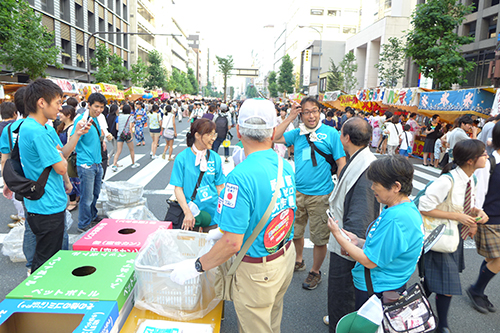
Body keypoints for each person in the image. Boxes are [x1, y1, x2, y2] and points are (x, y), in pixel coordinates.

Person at [169, 98, 297, 333]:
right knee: (272, 321)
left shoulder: (240, 177)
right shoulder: (284, 165)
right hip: (283, 255)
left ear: (238, 131)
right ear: (272, 132)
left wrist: (197, 266)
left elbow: (232, 242)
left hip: (258, 270)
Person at [328, 155, 423, 310]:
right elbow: (388, 248)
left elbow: (369, 261)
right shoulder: (403, 209)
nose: (372, 188)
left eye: (376, 184)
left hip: (376, 288)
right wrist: (358, 241)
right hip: (388, 285)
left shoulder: (396, 218)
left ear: (396, 187)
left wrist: (338, 235)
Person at [274, 96, 346, 290]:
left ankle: (315, 271)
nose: (311, 115)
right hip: (297, 192)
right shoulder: (297, 134)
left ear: (320, 112)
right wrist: (289, 117)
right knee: (295, 231)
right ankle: (299, 259)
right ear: (301, 114)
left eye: (314, 111)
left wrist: (340, 189)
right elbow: (273, 137)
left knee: (319, 237)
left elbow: (341, 162)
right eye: (306, 112)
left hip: (321, 195)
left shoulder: (331, 133)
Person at [18, 79, 89, 273]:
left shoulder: (44, 127)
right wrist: (60, 160)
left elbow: (62, 155)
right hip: (45, 205)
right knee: (48, 263)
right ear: (42, 103)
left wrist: (76, 136)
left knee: (55, 257)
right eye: (57, 102)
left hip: (49, 201)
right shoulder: (36, 132)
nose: (60, 107)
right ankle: (38, 296)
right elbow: (60, 166)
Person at [419, 139, 489, 333]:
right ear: (470, 160)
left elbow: (466, 204)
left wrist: (477, 212)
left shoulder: (470, 178)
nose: (487, 156)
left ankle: (415, 310)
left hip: (453, 237)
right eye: (483, 154)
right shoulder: (447, 180)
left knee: (435, 282)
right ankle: (442, 326)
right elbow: (423, 206)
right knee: (447, 284)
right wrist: (457, 216)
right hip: (439, 237)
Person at [325, 118, 380, 330]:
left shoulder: (365, 166)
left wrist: (348, 244)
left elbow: (361, 214)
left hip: (347, 244)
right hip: (346, 239)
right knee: (343, 292)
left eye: (341, 134)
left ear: (346, 138)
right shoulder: (359, 158)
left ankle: (340, 325)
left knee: (342, 292)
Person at [467, 121, 500, 314]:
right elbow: (478, 193)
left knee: (492, 257)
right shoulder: (489, 162)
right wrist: (475, 221)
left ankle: (478, 290)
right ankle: (476, 289)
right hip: (489, 217)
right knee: (497, 258)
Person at [169, 118, 225, 230]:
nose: (213, 138)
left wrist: (224, 210)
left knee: (211, 246)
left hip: (213, 214)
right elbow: (178, 189)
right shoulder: (182, 158)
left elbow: (220, 186)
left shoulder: (215, 157)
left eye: (214, 134)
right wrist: (187, 212)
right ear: (197, 136)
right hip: (192, 214)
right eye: (209, 134)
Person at [72, 93, 107, 233]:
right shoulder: (81, 120)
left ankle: (92, 216)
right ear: (89, 105)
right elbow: (74, 142)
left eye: (102, 107)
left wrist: (102, 140)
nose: (99, 110)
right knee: (86, 197)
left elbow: (94, 137)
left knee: (95, 194)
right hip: (86, 165)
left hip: (97, 163)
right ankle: (83, 224)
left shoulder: (96, 119)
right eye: (96, 106)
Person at [0, 101, 26, 228]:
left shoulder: (6, 129)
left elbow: (4, 158)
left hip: (13, 166)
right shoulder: (31, 126)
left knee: (16, 193)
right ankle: (23, 216)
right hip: (28, 166)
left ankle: (22, 216)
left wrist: (6, 177)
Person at [56, 105, 80, 212]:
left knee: (71, 179)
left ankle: (73, 201)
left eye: (61, 112)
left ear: (68, 115)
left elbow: (72, 144)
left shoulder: (71, 128)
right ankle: (75, 198)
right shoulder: (62, 126)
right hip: (62, 155)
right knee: (69, 179)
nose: (59, 114)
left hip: (68, 156)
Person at [113, 104, 139, 171]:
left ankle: (114, 165)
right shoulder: (130, 117)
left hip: (120, 134)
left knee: (118, 151)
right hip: (127, 134)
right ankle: (133, 163)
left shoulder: (119, 117)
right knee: (131, 150)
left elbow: (117, 127)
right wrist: (131, 136)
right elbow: (130, 127)